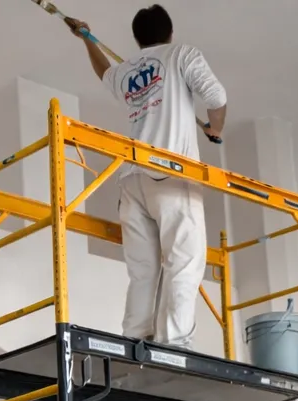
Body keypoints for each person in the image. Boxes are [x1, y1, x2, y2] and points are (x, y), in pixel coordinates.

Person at [66, 5, 226, 349]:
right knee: (184, 260)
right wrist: (215, 128)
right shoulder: (182, 54)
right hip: (171, 173)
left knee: (144, 270)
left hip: (132, 181)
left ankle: (135, 338)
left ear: (138, 39)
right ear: (170, 32)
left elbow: (104, 72)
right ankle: (175, 346)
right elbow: (217, 97)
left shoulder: (127, 73)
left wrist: (86, 40)